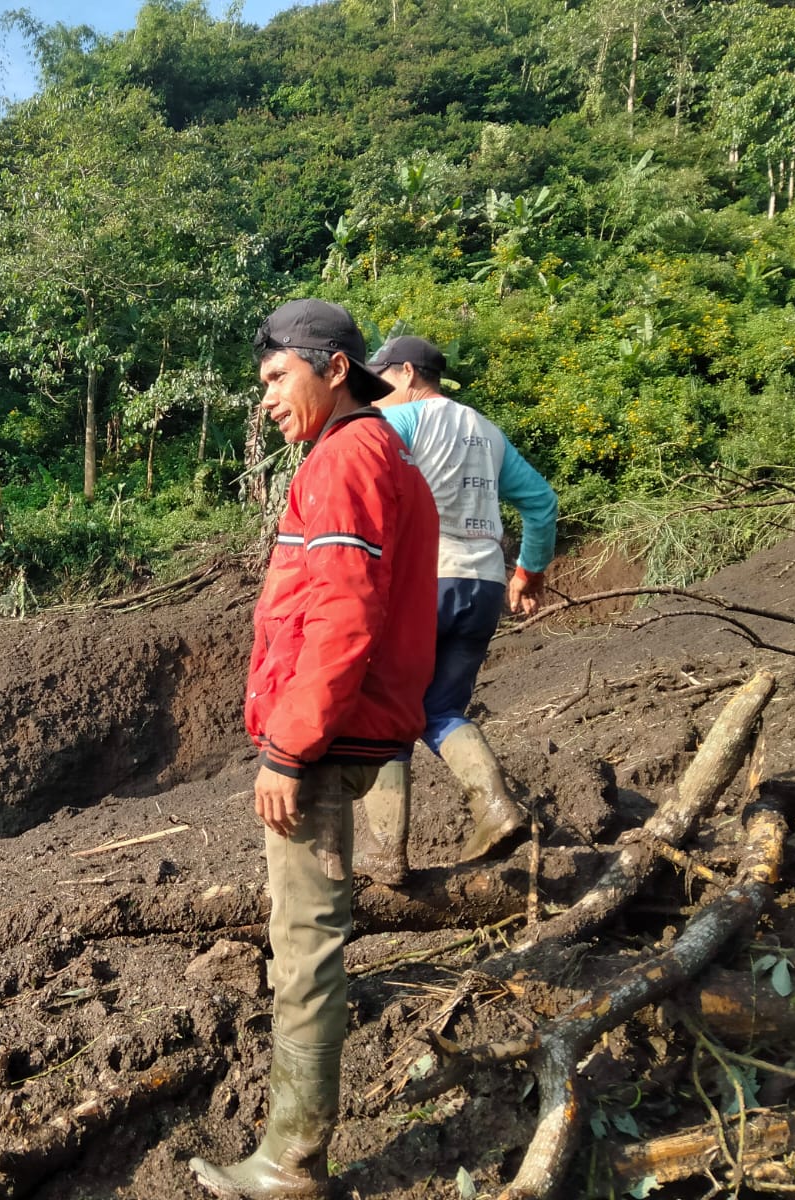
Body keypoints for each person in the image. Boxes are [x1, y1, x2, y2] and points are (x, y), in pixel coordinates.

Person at [188, 300, 439, 1199]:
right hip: (356, 728)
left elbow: (341, 617)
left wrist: (288, 750)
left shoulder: (343, 461)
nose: (265, 398)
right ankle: (291, 1150)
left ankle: (290, 1161)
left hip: (326, 741)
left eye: (275, 377)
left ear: (334, 369)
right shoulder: (376, 452)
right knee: (310, 940)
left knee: (302, 949)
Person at [351, 334, 559, 886]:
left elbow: (367, 493)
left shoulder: (398, 421)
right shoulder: (487, 432)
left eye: (378, 382)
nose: (372, 395)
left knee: (387, 711)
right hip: (483, 585)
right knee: (440, 708)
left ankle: (385, 849)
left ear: (405, 373)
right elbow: (542, 503)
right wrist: (529, 571)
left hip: (424, 581)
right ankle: (496, 808)